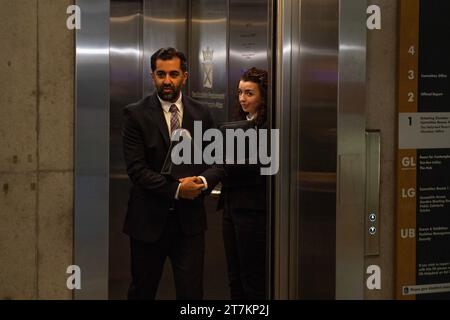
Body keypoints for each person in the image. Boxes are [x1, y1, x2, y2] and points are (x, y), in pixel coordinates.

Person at [122, 47, 222, 300]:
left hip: (189, 225)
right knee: (142, 292)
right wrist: (177, 190)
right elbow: (136, 170)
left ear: (185, 76)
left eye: (173, 74)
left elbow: (218, 162)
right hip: (147, 223)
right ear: (152, 76)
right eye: (161, 74)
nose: (167, 81)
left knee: (192, 296)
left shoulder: (202, 113)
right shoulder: (135, 114)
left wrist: (201, 182)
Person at [218, 67, 269, 300]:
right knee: (233, 274)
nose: (242, 98)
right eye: (239, 92)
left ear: (263, 96)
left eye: (249, 93)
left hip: (253, 210)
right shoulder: (239, 123)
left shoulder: (270, 127)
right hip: (230, 205)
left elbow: (262, 168)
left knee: (252, 276)